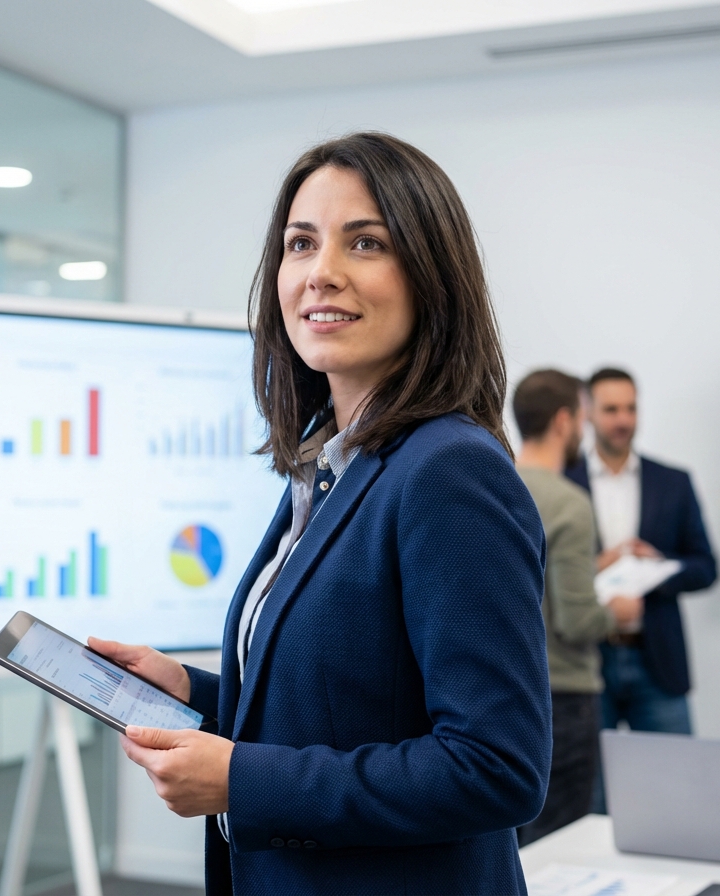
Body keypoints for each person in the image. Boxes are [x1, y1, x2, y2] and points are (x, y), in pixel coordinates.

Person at [88, 133, 551, 894]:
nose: (321, 274)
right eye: (300, 244)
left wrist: (244, 781)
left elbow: (495, 768)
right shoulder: (331, 464)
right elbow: (349, 702)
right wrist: (194, 692)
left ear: (431, 275)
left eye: (365, 243)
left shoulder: (450, 471)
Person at [512, 369, 643, 845]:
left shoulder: (491, 484)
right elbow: (578, 619)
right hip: (563, 698)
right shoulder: (569, 502)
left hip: (507, 694)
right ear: (564, 421)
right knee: (560, 848)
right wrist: (620, 612)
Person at [565, 368, 717, 738]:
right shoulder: (564, 481)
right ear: (587, 413)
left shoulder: (673, 482)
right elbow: (542, 570)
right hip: (587, 658)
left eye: (631, 409)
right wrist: (598, 566)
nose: (623, 420)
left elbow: (706, 567)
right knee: (590, 792)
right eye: (612, 409)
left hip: (657, 660)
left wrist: (659, 568)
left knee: (673, 784)